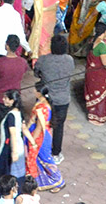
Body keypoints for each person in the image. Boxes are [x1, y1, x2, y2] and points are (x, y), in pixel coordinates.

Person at [0, 35, 29, 161]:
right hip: (15, 101)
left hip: (0, 99)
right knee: (15, 127)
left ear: (6, 46)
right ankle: (14, 152)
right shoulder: (23, 62)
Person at [34, 34, 73, 163]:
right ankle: (56, 153)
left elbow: (36, 72)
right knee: (59, 126)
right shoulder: (69, 60)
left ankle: (39, 150)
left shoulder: (43, 60)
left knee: (41, 124)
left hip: (46, 98)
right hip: (62, 99)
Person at [25, 86, 64, 193]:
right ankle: (36, 181)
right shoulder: (43, 103)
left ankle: (59, 181)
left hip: (40, 137)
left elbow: (39, 127)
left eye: (35, 89)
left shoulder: (41, 107)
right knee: (39, 159)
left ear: (39, 93)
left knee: (46, 159)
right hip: (42, 133)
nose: (33, 91)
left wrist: (32, 140)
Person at [84, 21, 106, 124]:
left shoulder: (92, 40)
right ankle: (98, 117)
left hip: (91, 74)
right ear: (105, 32)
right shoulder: (102, 46)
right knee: (101, 95)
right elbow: (105, 64)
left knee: (93, 93)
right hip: (99, 75)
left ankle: (92, 115)